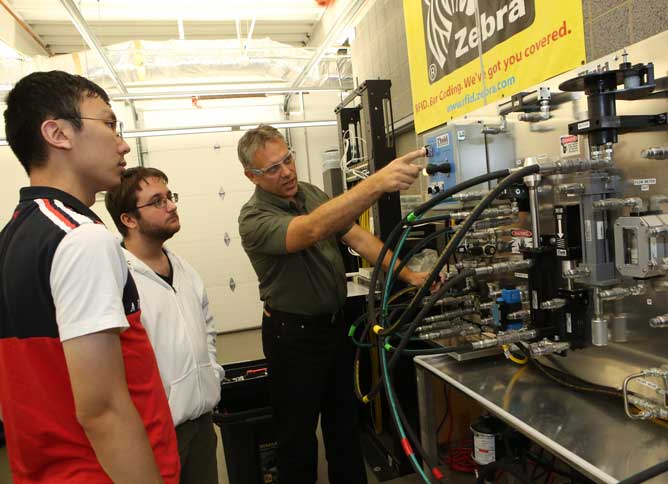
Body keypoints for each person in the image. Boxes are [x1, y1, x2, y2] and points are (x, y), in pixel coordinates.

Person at [0, 71, 180, 483]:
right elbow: (103, 409)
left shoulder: (14, 236)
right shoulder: (81, 238)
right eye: (109, 124)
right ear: (58, 133)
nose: (123, 144)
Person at [237, 124, 429, 484]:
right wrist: (375, 183)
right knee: (297, 436)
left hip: (334, 329)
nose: (287, 172)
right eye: (273, 168)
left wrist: (408, 275)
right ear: (252, 176)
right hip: (292, 338)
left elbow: (356, 235)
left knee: (344, 425)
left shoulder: (309, 192)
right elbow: (309, 230)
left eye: (288, 160)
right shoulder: (253, 219)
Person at [105, 167, 224, 484]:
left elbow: (207, 329)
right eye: (157, 201)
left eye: (169, 196)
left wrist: (212, 374)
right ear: (128, 219)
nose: (171, 205)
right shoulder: (117, 278)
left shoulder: (184, 269)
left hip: (201, 422)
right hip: (153, 432)